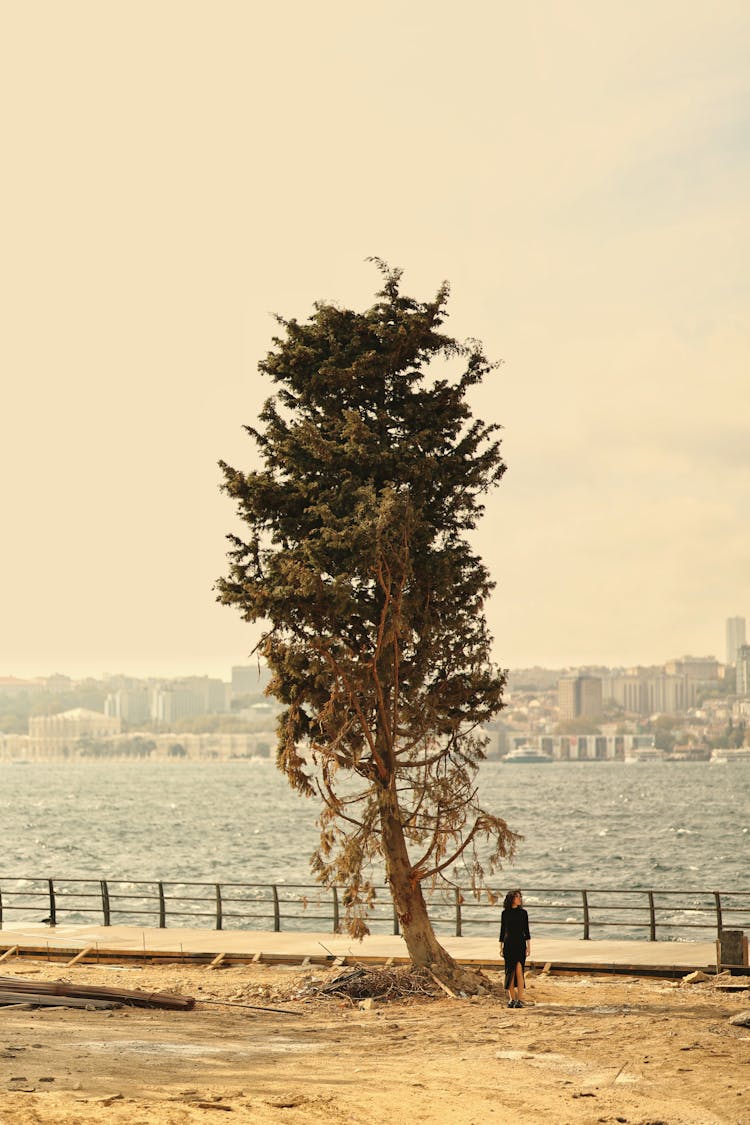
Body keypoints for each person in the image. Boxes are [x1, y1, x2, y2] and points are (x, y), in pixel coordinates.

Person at [499, 889, 531, 1008]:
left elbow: (526, 931)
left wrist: (528, 946)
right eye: (517, 897)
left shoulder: (523, 913)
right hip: (508, 944)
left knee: (519, 971)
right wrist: (500, 947)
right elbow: (502, 931)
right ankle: (512, 999)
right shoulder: (505, 913)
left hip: (520, 944)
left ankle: (520, 999)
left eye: (520, 897)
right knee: (509, 972)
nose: (520, 899)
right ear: (512, 899)